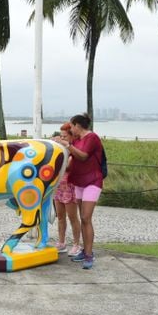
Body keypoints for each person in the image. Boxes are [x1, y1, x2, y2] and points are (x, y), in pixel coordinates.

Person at [55, 113, 103, 269]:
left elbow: (82, 156)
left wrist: (69, 146)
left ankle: (89, 255)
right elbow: (70, 162)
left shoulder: (92, 138)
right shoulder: (76, 140)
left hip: (92, 182)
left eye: (72, 126)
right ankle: (85, 250)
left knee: (85, 217)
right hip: (79, 182)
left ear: (77, 125)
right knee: (83, 219)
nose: (71, 129)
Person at [52, 122, 82, 256]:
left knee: (72, 217)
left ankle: (77, 244)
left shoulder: (73, 150)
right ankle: (61, 242)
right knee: (60, 216)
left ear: (71, 136)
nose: (62, 138)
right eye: (61, 136)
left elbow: (68, 167)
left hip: (69, 186)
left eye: (65, 136)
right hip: (59, 186)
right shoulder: (59, 149)